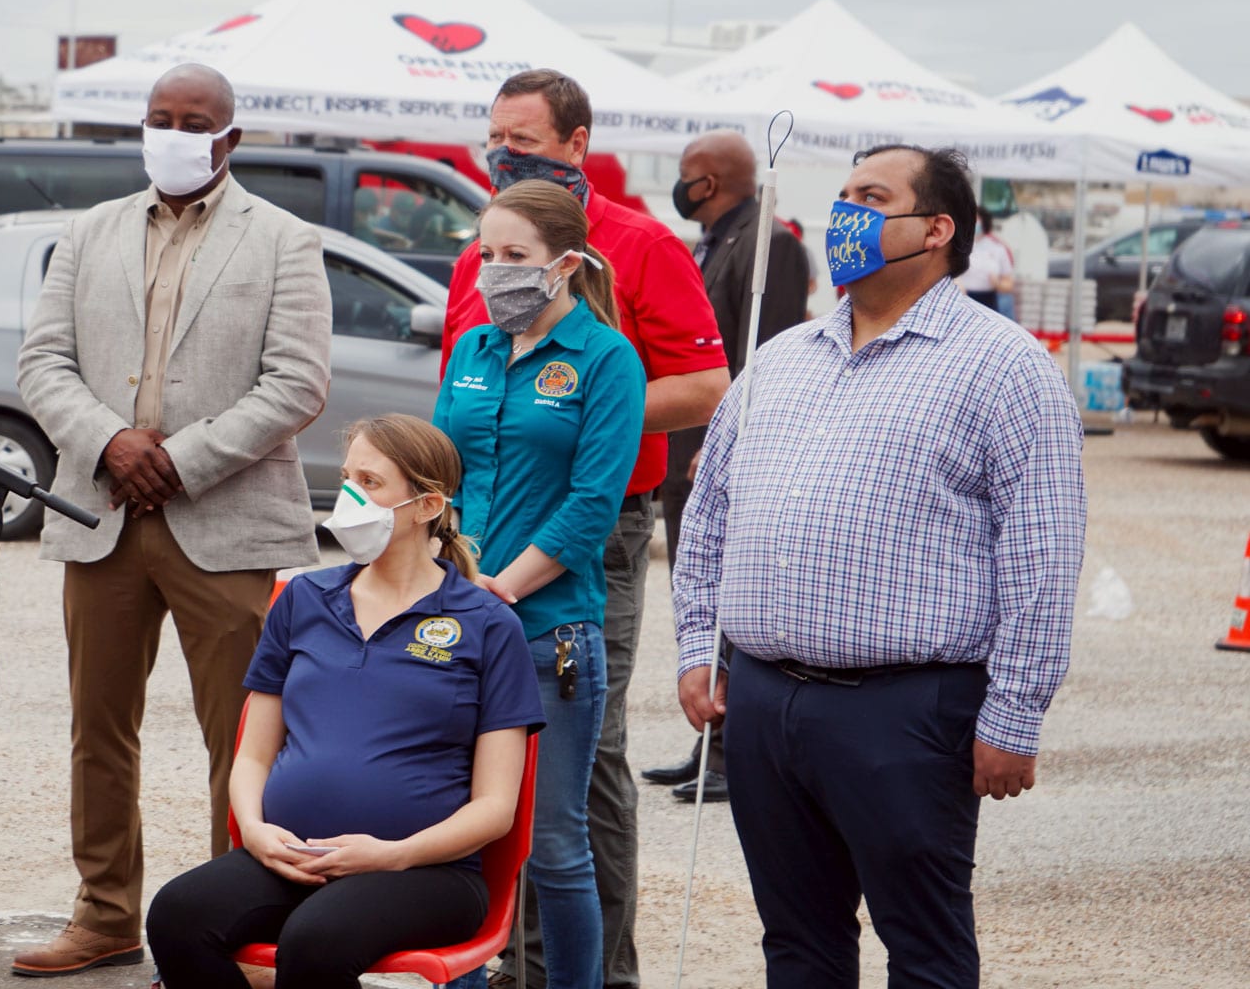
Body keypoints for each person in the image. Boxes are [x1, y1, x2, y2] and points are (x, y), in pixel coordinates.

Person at [672, 145, 1086, 988]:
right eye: (843, 197)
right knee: (797, 942)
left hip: (905, 714)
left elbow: (1043, 555)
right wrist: (695, 648)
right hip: (764, 701)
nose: (845, 216)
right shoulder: (781, 360)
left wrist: (1014, 715)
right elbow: (710, 514)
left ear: (937, 229)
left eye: (871, 198)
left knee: (923, 947)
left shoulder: (1005, 368)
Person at [13, 63, 332, 976]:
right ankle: (106, 911)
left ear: (230, 138)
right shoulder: (89, 233)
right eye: (161, 118)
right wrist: (113, 442)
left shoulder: (283, 240)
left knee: (243, 736)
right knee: (97, 727)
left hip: (226, 523)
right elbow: (42, 364)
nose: (175, 132)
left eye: (195, 121)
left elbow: (298, 384)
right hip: (102, 511)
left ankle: (234, 922)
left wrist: (178, 461)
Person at [441, 69, 726, 989]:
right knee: (477, 757)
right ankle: (497, 960)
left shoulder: (639, 245)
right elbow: (460, 390)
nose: (503, 154)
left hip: (584, 537)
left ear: (576, 142)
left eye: (523, 141)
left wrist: (583, 407)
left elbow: (709, 387)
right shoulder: (487, 254)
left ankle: (595, 971)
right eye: (496, 137)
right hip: (475, 540)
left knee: (583, 753)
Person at [145, 415, 545, 988]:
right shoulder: (305, 597)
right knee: (178, 915)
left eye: (372, 483)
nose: (351, 495)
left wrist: (394, 854)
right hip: (292, 858)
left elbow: (495, 808)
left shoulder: (487, 623)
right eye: (349, 476)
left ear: (427, 505)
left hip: (427, 872)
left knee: (317, 941)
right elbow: (253, 755)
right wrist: (255, 833)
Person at [436, 181, 647, 989]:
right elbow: (439, 477)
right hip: (457, 618)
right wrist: (444, 576)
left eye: (514, 257)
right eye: (486, 255)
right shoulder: (474, 350)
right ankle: (460, 978)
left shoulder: (606, 358)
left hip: (548, 629)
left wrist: (500, 591)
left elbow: (593, 505)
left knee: (553, 843)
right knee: (455, 828)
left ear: (564, 264)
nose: (494, 272)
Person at [642, 131, 811, 803]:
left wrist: (730, 451)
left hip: (722, 454)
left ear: (708, 182)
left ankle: (732, 754)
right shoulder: (715, 241)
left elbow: (763, 360)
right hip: (690, 455)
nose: (680, 189)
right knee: (699, 600)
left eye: (686, 176)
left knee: (731, 606)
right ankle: (709, 740)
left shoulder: (771, 242)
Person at [960, 206, 1016, 312]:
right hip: (963, 299)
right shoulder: (959, 246)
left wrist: (998, 284)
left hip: (988, 300)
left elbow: (1009, 284)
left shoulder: (998, 248)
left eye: (977, 220)